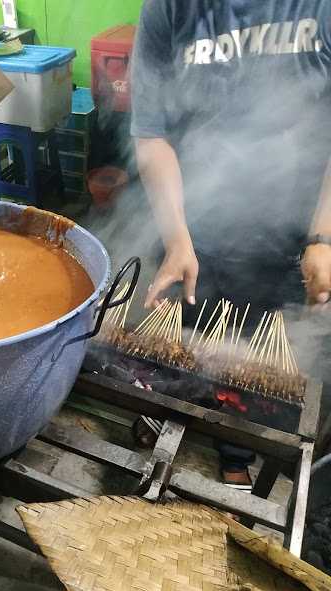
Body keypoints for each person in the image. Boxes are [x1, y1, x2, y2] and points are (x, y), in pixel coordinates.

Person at [131, 1, 331, 488]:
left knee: (253, 361)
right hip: (194, 223)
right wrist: (177, 237)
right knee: (189, 335)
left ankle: (235, 446)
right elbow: (151, 133)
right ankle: (172, 410)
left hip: (291, 233)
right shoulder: (169, 7)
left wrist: (323, 236)